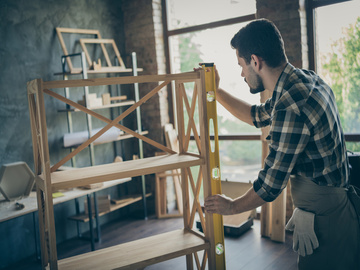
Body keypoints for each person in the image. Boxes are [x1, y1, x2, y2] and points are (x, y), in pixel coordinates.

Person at [202, 18, 360, 270]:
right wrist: (217, 92)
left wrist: (231, 206)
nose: (242, 74)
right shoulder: (304, 81)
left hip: (327, 216)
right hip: (331, 205)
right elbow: (255, 115)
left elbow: (270, 185)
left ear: (255, 61)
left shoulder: (290, 105)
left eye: (241, 65)